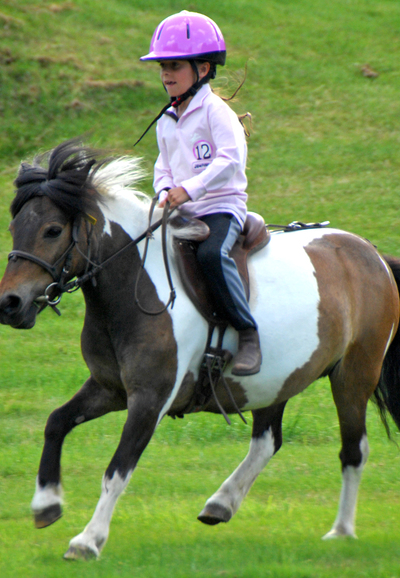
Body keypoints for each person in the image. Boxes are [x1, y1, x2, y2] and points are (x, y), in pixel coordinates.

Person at [139, 10, 261, 376]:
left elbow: (230, 159)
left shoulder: (216, 111)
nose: (165, 75)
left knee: (210, 255)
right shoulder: (167, 118)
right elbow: (164, 163)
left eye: (174, 66)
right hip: (184, 210)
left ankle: (248, 334)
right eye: (162, 67)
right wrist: (164, 189)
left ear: (203, 69)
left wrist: (188, 190)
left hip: (221, 207)